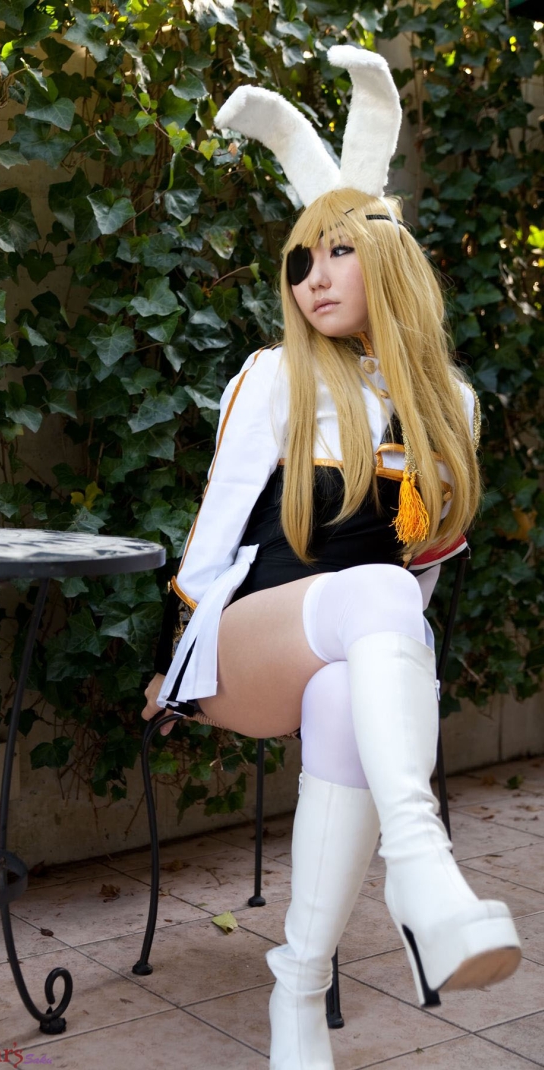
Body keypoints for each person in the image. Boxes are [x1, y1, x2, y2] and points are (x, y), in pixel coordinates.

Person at [140, 45, 521, 1070]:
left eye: (336, 252)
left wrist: (385, 634)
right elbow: (211, 541)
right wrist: (174, 661)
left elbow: (423, 568)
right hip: (243, 645)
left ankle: (298, 993)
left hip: (352, 649)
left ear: (388, 262)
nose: (311, 277)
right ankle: (419, 866)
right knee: (378, 592)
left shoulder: (450, 405)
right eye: (299, 260)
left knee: (353, 681)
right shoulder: (274, 377)